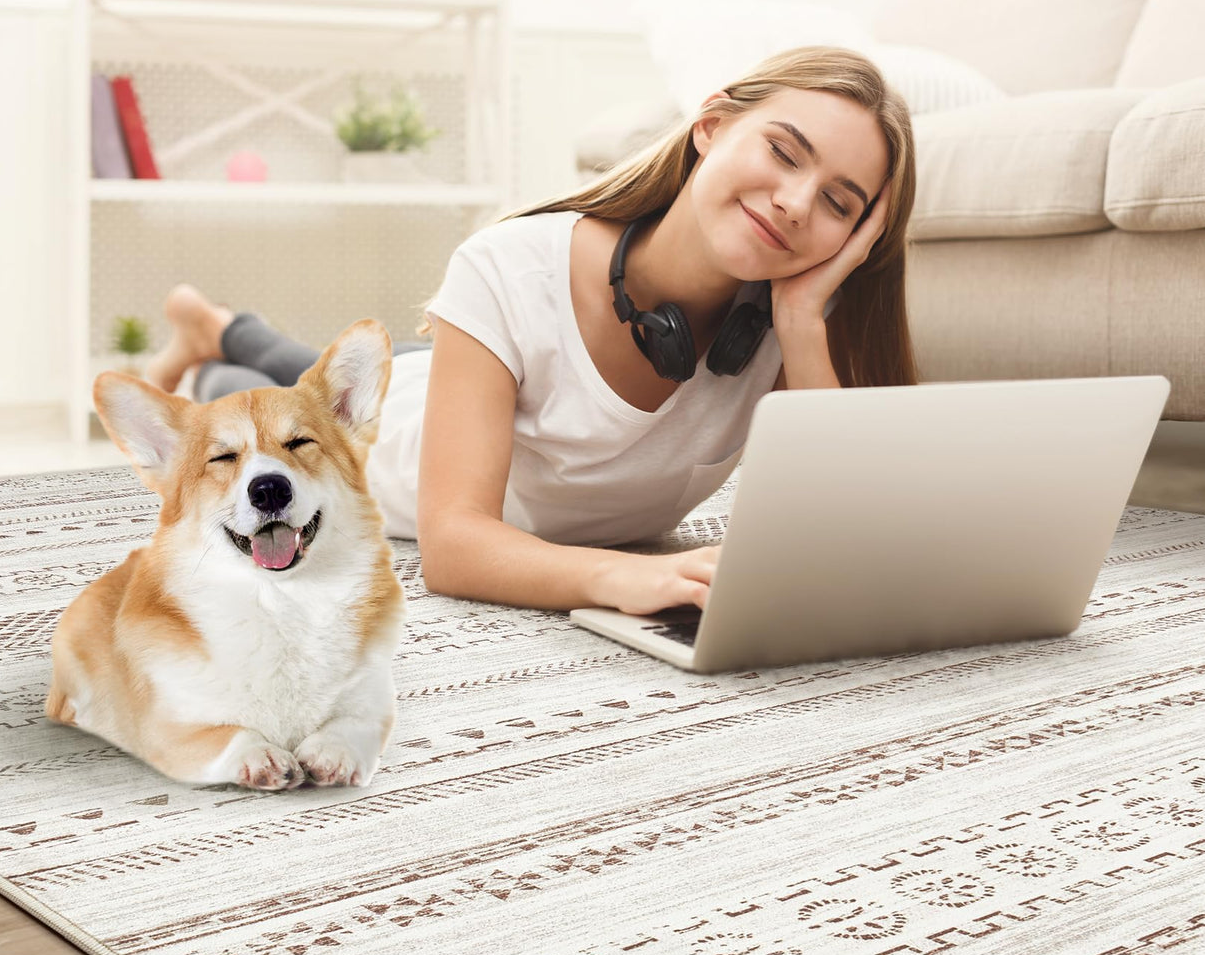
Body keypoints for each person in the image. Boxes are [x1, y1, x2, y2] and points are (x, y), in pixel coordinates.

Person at [145, 45, 917, 618]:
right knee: (285, 397)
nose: (794, 203)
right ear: (710, 126)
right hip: (392, 438)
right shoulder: (510, 267)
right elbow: (453, 546)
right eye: (783, 153)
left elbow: (860, 537)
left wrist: (805, 324)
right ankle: (214, 339)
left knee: (340, 362)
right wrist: (617, 578)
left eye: (839, 205)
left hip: (462, 378)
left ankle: (216, 327)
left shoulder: (790, 319)